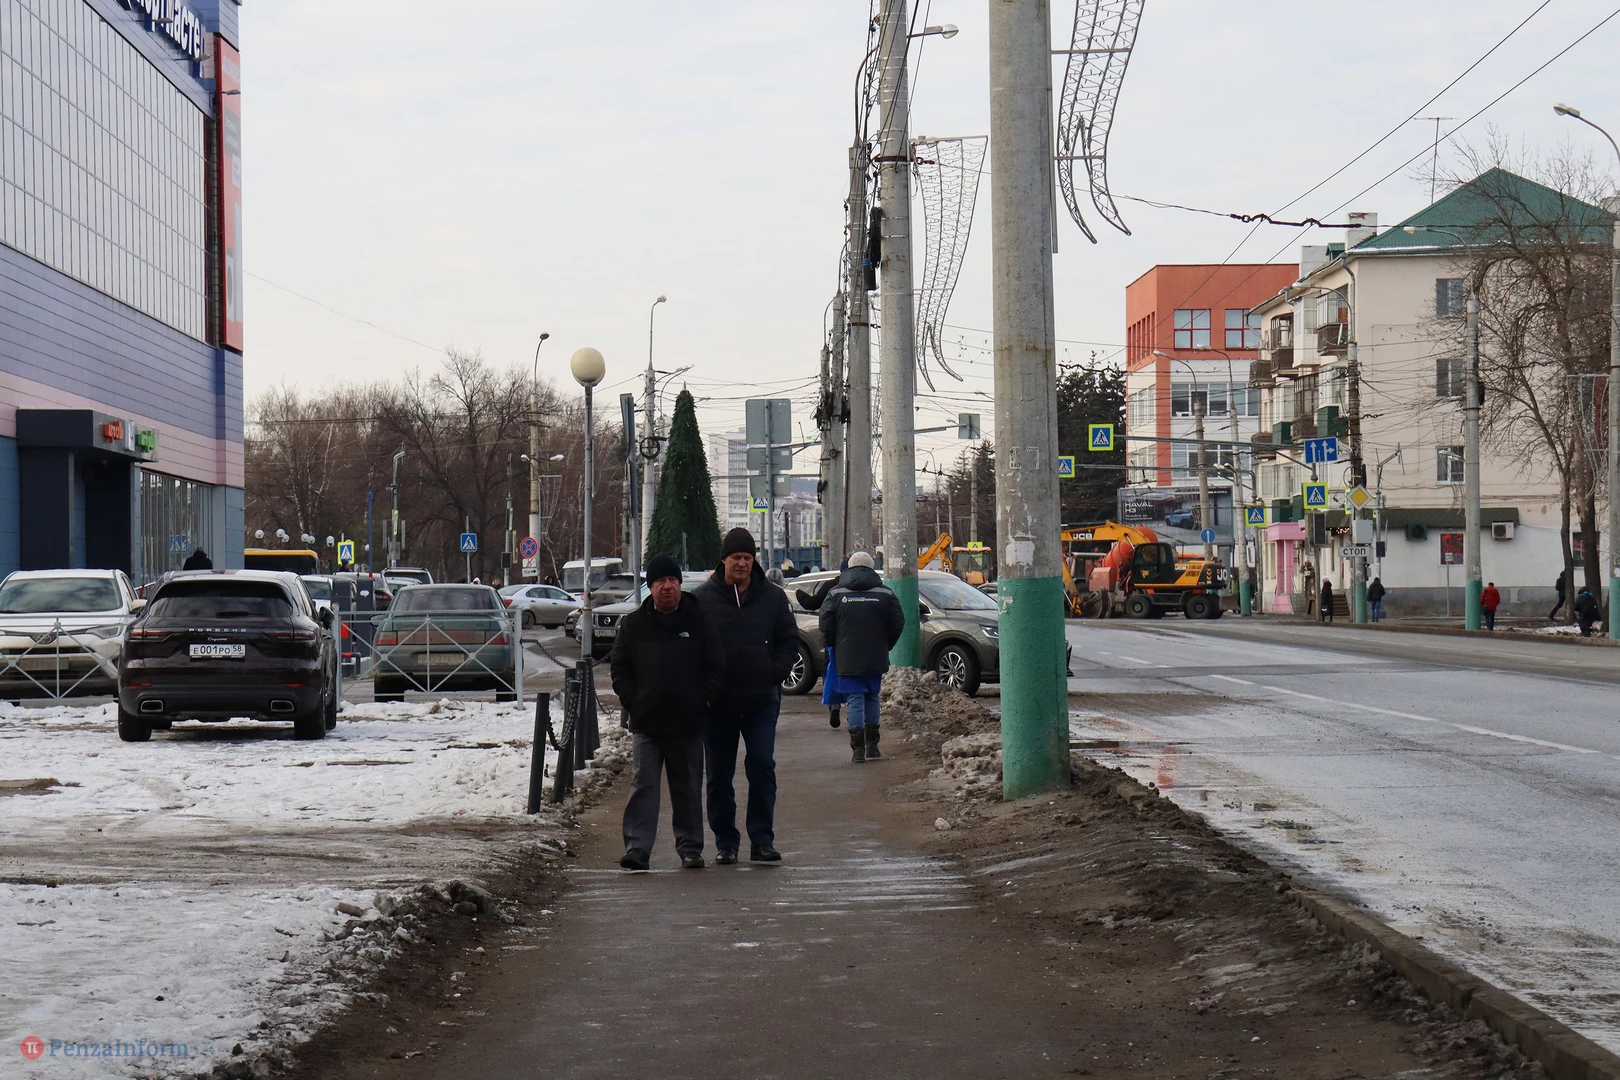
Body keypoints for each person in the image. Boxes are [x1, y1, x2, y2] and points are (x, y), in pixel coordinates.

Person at [610, 553, 724, 872]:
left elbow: (715, 666)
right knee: (644, 786)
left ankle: (690, 848)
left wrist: (702, 700)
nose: (668, 586)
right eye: (660, 581)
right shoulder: (633, 625)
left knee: (687, 788)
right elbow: (619, 668)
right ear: (650, 587)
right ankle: (637, 848)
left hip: (688, 723)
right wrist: (634, 701)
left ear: (680, 584)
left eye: (673, 580)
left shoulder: (699, 621)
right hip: (647, 723)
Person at [694, 528, 799, 865]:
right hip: (718, 705)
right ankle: (726, 842)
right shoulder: (702, 600)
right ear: (723, 560)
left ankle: (762, 840)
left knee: (762, 766)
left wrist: (774, 672)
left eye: (747, 558)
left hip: (761, 701)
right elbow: (691, 648)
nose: (742, 563)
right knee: (718, 776)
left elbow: (789, 640)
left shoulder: (773, 598)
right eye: (736, 557)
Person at [819, 551, 904, 763]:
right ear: (871, 567)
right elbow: (897, 623)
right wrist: (886, 644)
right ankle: (872, 745)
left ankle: (857, 750)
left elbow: (825, 623)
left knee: (855, 698)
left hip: (847, 656)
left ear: (849, 567)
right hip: (875, 655)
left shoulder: (836, 593)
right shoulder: (886, 593)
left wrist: (833, 644)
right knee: (872, 696)